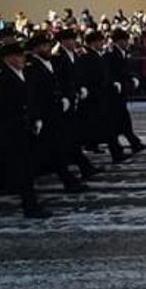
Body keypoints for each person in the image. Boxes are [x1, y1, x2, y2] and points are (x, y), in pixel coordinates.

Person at [0, 41, 52, 218]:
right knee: (22, 168)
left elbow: (31, 99)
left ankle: (29, 201)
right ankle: (30, 205)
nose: (22, 59)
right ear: (8, 58)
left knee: (24, 167)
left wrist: (35, 118)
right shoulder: (0, 78)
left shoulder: (23, 74)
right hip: (11, 129)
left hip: (25, 128)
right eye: (18, 56)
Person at [24, 33, 88, 193]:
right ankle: (67, 180)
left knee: (53, 148)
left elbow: (59, 82)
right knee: (50, 149)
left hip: (56, 111)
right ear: (36, 49)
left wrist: (65, 97)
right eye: (44, 46)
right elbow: (33, 93)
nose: (47, 48)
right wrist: (37, 115)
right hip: (45, 113)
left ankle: (68, 179)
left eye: (48, 45)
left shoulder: (51, 62)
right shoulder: (32, 66)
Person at [52, 28, 101, 180]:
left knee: (73, 134)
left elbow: (79, 74)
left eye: (74, 39)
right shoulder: (58, 56)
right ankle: (82, 166)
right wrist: (66, 95)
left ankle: (81, 165)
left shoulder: (76, 54)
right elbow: (60, 80)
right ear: (63, 41)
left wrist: (82, 87)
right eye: (70, 40)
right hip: (65, 101)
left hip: (76, 99)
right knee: (68, 136)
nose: (73, 42)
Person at [76, 30, 130, 163]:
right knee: (106, 127)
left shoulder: (95, 55)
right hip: (96, 97)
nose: (102, 43)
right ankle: (115, 152)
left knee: (107, 126)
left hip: (103, 96)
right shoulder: (87, 56)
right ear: (94, 43)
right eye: (100, 41)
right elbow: (90, 76)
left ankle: (115, 151)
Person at [105, 28, 146, 154]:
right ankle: (120, 148)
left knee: (123, 120)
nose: (127, 42)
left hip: (121, 90)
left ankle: (132, 143)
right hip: (115, 92)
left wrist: (132, 78)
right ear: (118, 41)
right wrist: (116, 83)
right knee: (117, 121)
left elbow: (124, 71)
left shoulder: (121, 53)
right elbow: (111, 72)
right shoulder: (112, 54)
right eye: (124, 40)